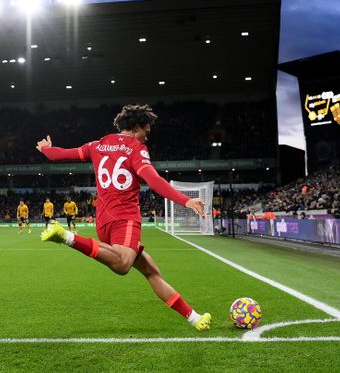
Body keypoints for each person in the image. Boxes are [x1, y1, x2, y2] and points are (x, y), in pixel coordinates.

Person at [37, 103, 211, 331]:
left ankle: (194, 318)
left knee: (151, 272)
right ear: (136, 127)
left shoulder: (98, 144)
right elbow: (154, 179)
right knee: (122, 264)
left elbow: (61, 155)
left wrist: (46, 150)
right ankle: (67, 237)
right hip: (125, 219)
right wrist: (186, 200)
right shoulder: (136, 148)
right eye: (146, 131)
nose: (146, 137)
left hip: (104, 222)